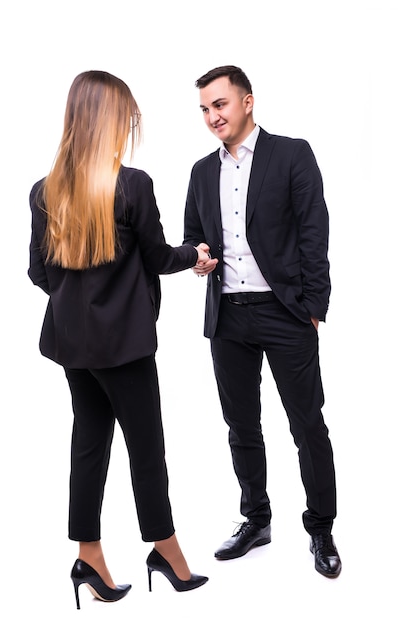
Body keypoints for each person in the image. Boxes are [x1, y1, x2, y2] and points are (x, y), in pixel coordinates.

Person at [28, 70, 209, 609]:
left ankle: (89, 556)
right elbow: (157, 256)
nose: (131, 125)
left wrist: (77, 295)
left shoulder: (45, 192)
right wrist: (194, 257)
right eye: (127, 116)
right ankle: (166, 550)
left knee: (88, 447)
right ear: (108, 120)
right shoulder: (132, 185)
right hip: (124, 347)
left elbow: (39, 273)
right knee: (146, 450)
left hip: (72, 347)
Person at [183, 65, 341, 578]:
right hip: (228, 315)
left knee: (307, 424)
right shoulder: (202, 172)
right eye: (205, 108)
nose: (213, 116)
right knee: (241, 427)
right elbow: (193, 237)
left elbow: (314, 232)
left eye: (221, 104)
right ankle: (257, 518)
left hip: (286, 312)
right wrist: (199, 256)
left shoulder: (292, 154)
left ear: (247, 102)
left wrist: (315, 307)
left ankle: (320, 527)